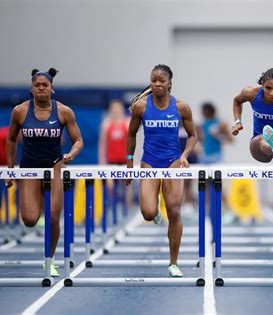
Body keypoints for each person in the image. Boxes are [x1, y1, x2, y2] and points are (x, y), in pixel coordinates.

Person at [6, 68, 84, 276]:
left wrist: (72, 154)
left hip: (54, 165)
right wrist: (10, 170)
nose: (41, 88)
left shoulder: (64, 112)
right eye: (37, 85)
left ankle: (49, 259)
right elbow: (11, 139)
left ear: (52, 89)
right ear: (31, 89)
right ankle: (39, 200)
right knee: (30, 219)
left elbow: (78, 140)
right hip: (30, 167)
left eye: (45, 85)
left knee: (53, 217)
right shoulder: (20, 111)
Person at [126, 64, 197, 277]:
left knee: (174, 211)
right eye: (153, 80)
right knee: (148, 214)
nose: (157, 84)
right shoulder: (141, 106)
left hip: (173, 162)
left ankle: (173, 262)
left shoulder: (181, 107)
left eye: (161, 81)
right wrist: (129, 164)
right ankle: (155, 207)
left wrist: (184, 156)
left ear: (169, 84)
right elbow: (131, 135)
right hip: (149, 162)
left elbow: (193, 135)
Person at [199, 102, 235, 223]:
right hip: (205, 157)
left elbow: (230, 139)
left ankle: (227, 209)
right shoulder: (202, 125)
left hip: (217, 157)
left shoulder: (221, 123)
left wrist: (220, 135)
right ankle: (209, 210)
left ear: (209, 112)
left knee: (217, 184)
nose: (203, 114)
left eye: (204, 112)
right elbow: (199, 140)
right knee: (206, 185)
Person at [98, 100, 133, 210]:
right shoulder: (107, 124)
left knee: (127, 185)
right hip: (111, 161)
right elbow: (102, 144)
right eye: (113, 110)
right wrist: (102, 162)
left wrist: (132, 160)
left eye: (118, 109)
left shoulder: (127, 123)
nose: (116, 112)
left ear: (122, 110)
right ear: (110, 111)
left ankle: (128, 208)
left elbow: (132, 143)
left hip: (125, 160)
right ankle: (111, 208)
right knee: (110, 186)